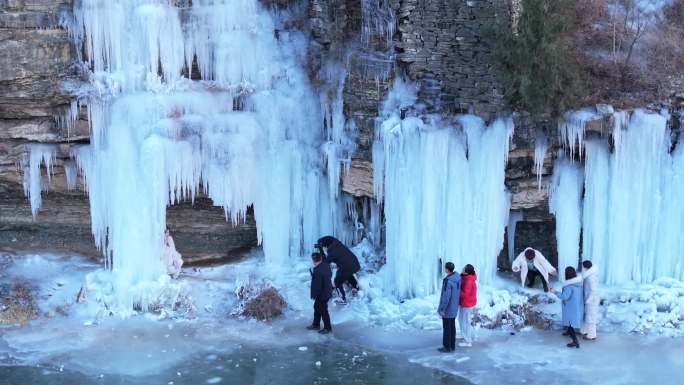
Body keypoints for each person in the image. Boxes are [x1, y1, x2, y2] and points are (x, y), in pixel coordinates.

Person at [315, 236, 361, 305]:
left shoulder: (332, 251)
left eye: (322, 246)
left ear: (325, 245)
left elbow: (325, 262)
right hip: (355, 264)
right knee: (347, 274)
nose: (324, 249)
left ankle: (342, 298)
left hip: (347, 266)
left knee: (337, 280)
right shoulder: (337, 245)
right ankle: (355, 287)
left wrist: (321, 250)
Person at [550, 267, 584, 348]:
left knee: (570, 323)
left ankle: (575, 342)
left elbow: (565, 296)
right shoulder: (578, 283)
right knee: (570, 321)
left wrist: (554, 292)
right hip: (576, 306)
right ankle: (568, 331)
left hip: (570, 307)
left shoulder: (569, 286)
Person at [307, 252, 333, 334]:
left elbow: (317, 285)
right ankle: (316, 324)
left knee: (323, 310)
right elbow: (328, 275)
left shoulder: (317, 271)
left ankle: (327, 328)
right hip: (327, 291)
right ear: (321, 259)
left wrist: (314, 295)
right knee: (317, 307)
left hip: (322, 294)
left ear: (313, 260)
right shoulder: (326, 265)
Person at [437, 262, 460, 353]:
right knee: (452, 327)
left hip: (448, 309)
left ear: (447, 269)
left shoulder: (448, 281)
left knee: (447, 328)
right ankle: (452, 346)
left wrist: (442, 309)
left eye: (444, 268)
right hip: (454, 307)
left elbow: (446, 297)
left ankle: (446, 347)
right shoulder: (457, 278)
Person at [458, 264, 477, 348]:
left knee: (466, 321)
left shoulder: (469, 280)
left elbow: (465, 294)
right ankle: (464, 334)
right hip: (465, 303)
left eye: (464, 268)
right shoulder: (465, 277)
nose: (462, 268)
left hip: (467, 304)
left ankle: (468, 341)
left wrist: (456, 291)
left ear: (466, 271)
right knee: (461, 320)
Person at [580, 260, 599, 341]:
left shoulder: (590, 277)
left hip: (592, 300)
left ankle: (592, 335)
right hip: (589, 299)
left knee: (591, 317)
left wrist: (588, 300)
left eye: (582, 266)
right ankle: (585, 330)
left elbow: (594, 290)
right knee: (587, 316)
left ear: (585, 267)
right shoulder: (588, 275)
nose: (581, 268)